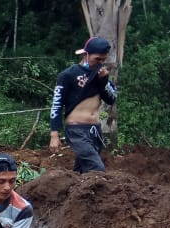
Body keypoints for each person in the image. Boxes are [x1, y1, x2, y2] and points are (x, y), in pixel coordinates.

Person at [49, 36, 118, 173]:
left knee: (82, 172)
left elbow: (111, 99)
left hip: (95, 130)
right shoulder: (68, 75)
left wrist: (103, 81)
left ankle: (73, 192)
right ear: (86, 55)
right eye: (97, 59)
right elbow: (56, 104)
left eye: (103, 60)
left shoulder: (101, 75)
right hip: (77, 130)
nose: (100, 63)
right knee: (96, 169)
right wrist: (54, 134)